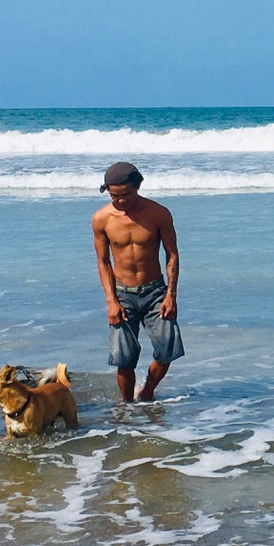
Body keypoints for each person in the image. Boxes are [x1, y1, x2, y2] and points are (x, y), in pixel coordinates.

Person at [91, 161, 183, 402]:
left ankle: (146, 394)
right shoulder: (102, 219)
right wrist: (111, 301)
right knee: (124, 359)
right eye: (114, 196)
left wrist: (170, 296)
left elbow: (172, 255)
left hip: (155, 292)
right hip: (122, 293)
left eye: (126, 195)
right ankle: (128, 407)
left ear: (137, 186)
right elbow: (103, 262)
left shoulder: (158, 214)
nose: (120, 201)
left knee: (167, 352)